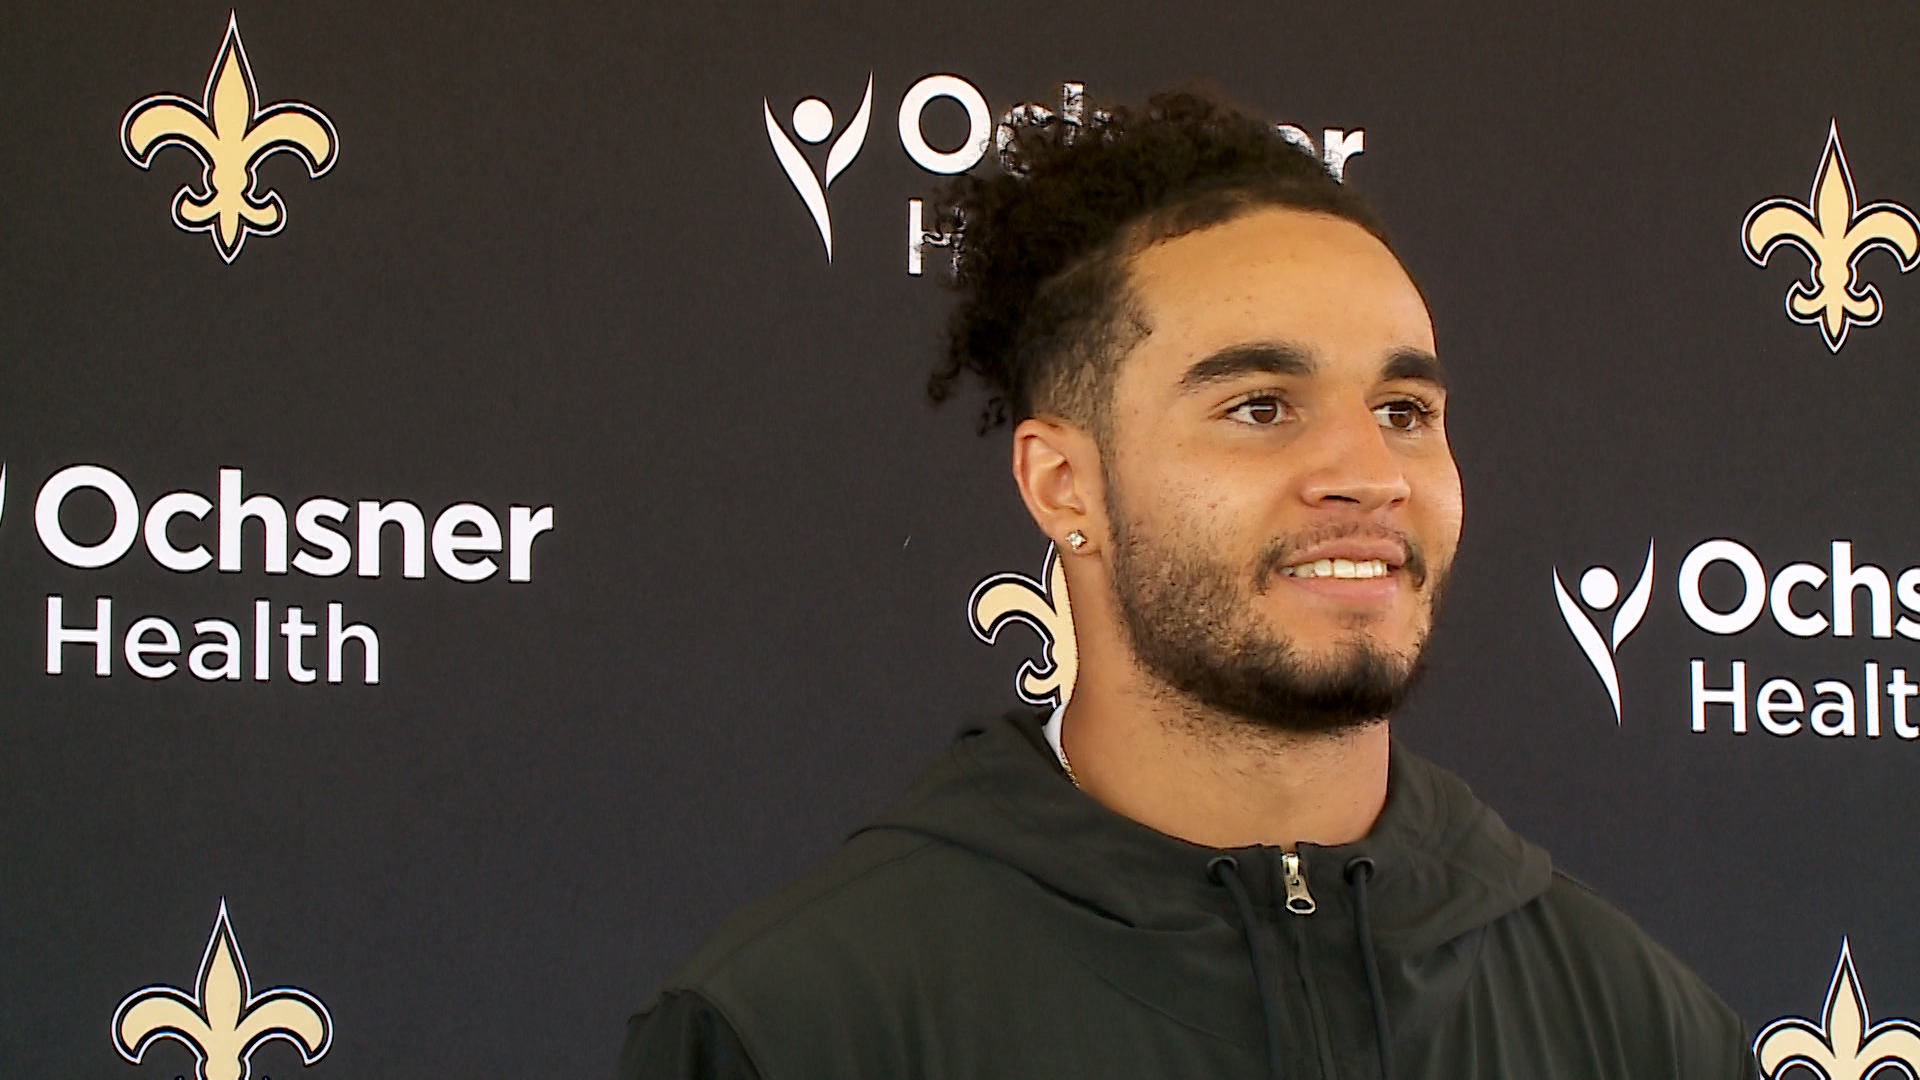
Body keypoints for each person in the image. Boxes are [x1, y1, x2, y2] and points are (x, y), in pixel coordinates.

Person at [618, 91, 1757, 1079]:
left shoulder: (1644, 1028)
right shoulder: (797, 1028)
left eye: (1405, 413)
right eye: (1260, 406)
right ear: (1065, 483)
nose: (1368, 474)